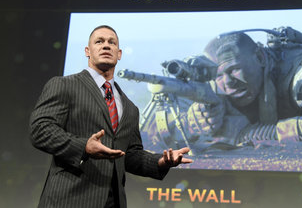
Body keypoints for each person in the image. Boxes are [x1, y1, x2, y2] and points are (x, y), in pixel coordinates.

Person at [29, 25, 192, 208]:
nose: (106, 46)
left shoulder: (130, 107)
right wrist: (84, 147)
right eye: (99, 41)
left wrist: (161, 162)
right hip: (68, 199)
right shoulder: (64, 85)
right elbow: (40, 129)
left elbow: (130, 155)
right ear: (87, 51)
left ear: (119, 53)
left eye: (111, 42)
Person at [186, 27, 302, 150]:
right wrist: (196, 120)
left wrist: (249, 134)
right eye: (218, 75)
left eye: (234, 69)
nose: (227, 82)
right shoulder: (218, 84)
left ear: (260, 57)